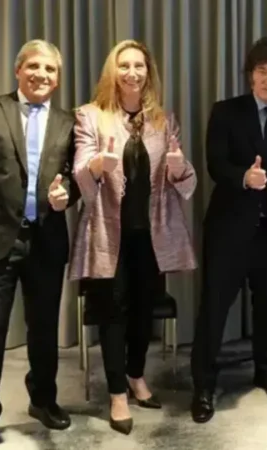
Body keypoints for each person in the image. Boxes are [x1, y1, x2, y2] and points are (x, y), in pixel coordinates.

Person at [0, 39, 78, 450]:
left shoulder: (68, 122)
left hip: (46, 240)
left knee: (44, 328)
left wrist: (67, 193)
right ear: (18, 70)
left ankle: (43, 400)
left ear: (58, 78)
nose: (42, 74)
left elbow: (73, 178)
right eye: (34, 66)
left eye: (50, 69)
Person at [69, 39, 198, 435]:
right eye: (124, 65)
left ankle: (136, 374)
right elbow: (80, 173)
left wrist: (178, 166)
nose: (132, 73)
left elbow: (183, 181)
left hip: (151, 235)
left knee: (144, 309)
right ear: (113, 71)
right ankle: (117, 394)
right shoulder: (91, 116)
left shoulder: (162, 120)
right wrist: (98, 163)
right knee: (113, 313)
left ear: (148, 72)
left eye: (139, 66)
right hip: (108, 235)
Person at [189, 36, 267, 423]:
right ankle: (204, 384)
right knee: (214, 307)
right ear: (250, 76)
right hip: (229, 227)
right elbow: (215, 164)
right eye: (262, 71)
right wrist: (244, 177)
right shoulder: (225, 112)